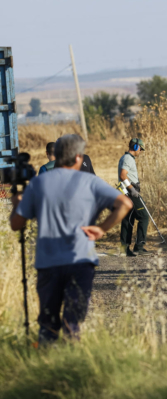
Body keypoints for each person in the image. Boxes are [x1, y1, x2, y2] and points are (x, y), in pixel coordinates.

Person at [10, 134, 133, 344]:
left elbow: (16, 224)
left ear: (55, 156)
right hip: (80, 261)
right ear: (79, 157)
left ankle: (46, 361)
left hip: (48, 262)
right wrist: (102, 228)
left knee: (47, 323)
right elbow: (125, 204)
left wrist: (17, 201)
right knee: (72, 322)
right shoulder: (91, 182)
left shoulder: (39, 183)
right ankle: (71, 361)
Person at [118, 138, 148, 256]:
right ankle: (139, 246)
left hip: (126, 192)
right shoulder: (128, 159)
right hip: (131, 193)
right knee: (144, 216)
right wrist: (131, 189)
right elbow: (122, 175)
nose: (140, 151)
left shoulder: (125, 158)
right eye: (140, 148)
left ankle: (124, 248)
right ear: (135, 147)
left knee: (128, 219)